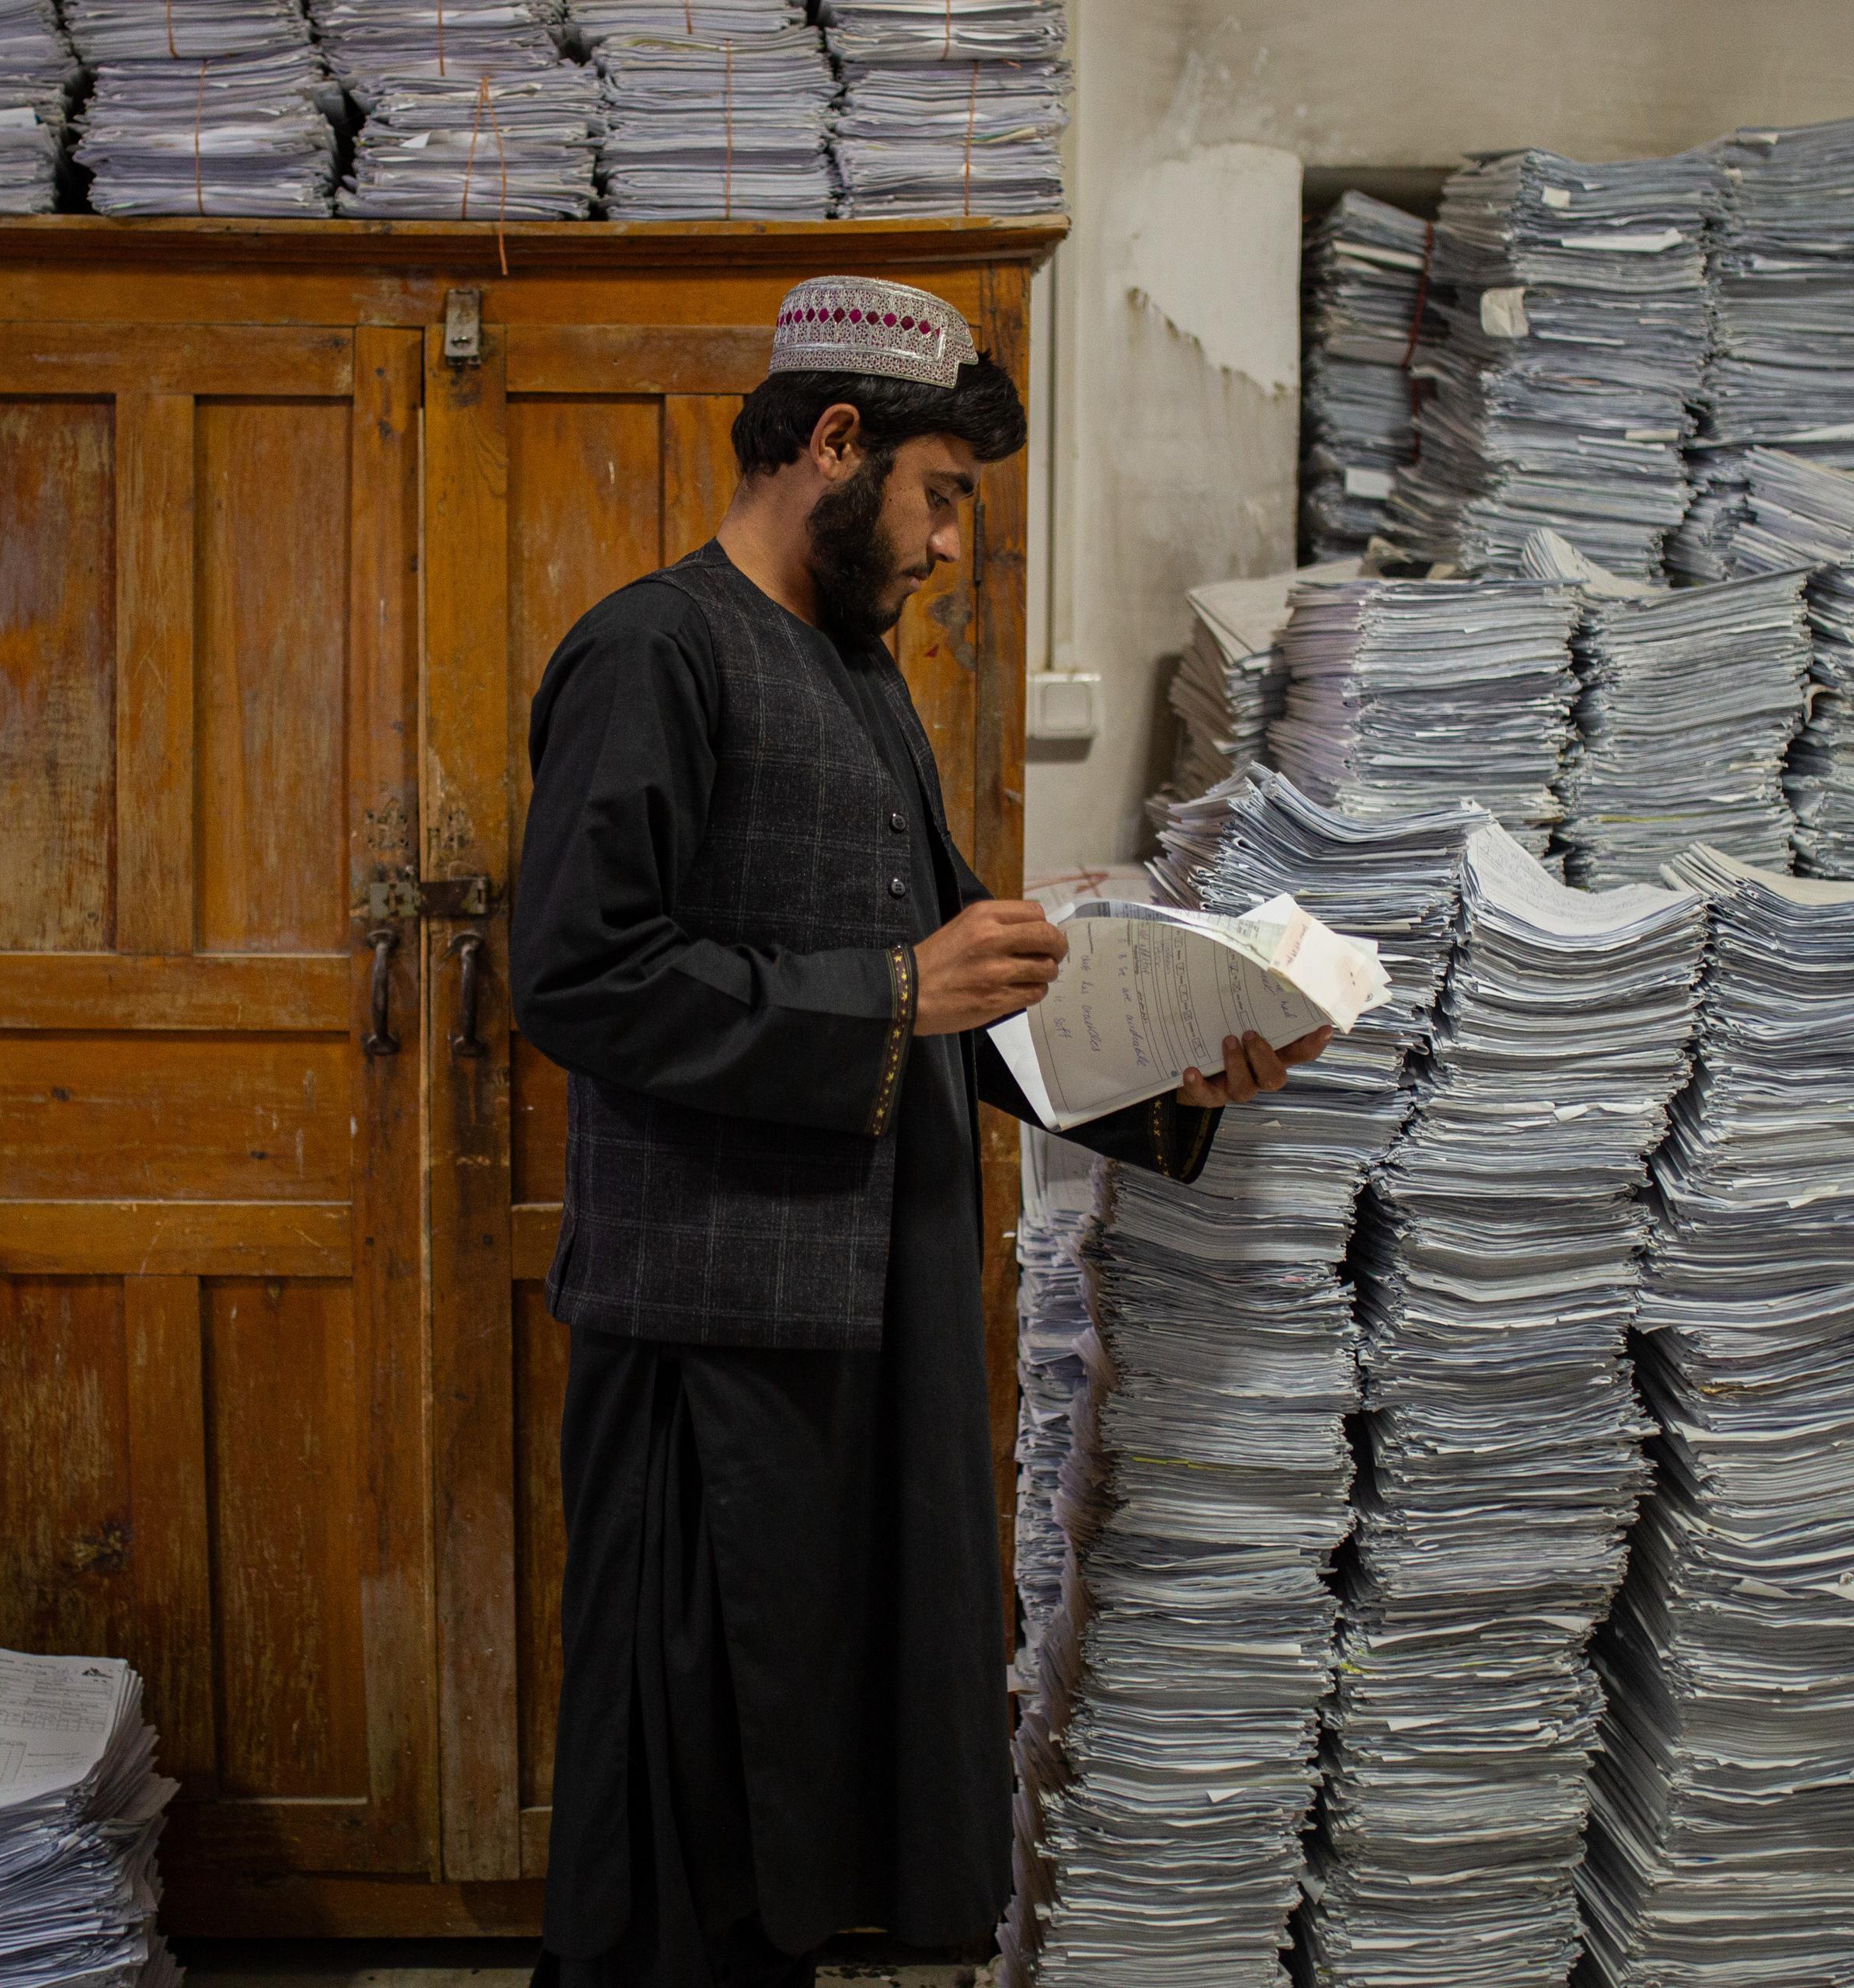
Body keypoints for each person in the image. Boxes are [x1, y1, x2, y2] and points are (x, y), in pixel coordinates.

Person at [511, 273, 1328, 1988]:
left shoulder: (857, 674)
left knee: (807, 1793)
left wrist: (1172, 1059)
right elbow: (584, 978)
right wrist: (886, 991)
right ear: (833, 443)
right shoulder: (653, 650)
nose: (953, 545)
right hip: (709, 1342)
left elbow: (970, 988)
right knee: (689, 1809)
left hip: (865, 1321)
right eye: (940, 495)